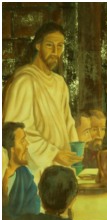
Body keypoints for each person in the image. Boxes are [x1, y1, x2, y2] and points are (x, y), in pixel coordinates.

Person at [2, 22, 82, 175]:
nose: (55, 52)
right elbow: (18, 132)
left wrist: (75, 153)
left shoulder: (60, 83)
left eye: (60, 46)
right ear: (38, 45)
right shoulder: (25, 81)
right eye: (50, 45)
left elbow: (68, 123)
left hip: (62, 169)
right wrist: (54, 154)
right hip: (34, 171)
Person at [2, 122, 40, 218]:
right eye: (22, 141)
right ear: (11, 148)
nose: (27, 144)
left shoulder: (25, 176)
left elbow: (33, 213)